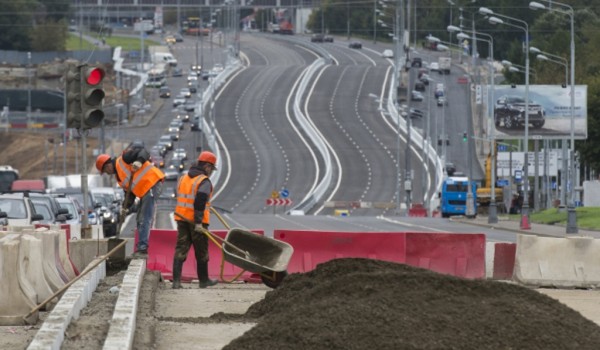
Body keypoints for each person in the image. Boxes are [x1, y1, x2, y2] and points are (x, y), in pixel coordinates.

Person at [95, 145, 165, 258]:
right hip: (145, 190)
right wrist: (125, 207)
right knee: (139, 219)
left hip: (152, 183)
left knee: (144, 218)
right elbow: (130, 195)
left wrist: (139, 161)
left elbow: (144, 151)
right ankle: (141, 247)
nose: (108, 174)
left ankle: (142, 249)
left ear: (107, 166)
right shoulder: (119, 178)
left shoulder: (124, 158)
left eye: (105, 171)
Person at [172, 151, 218, 289]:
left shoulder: (184, 178)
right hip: (197, 222)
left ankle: (176, 282)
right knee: (202, 250)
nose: (210, 172)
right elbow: (200, 201)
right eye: (211, 169)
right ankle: (203, 280)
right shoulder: (203, 181)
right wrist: (198, 222)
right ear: (207, 166)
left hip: (182, 219)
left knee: (181, 248)